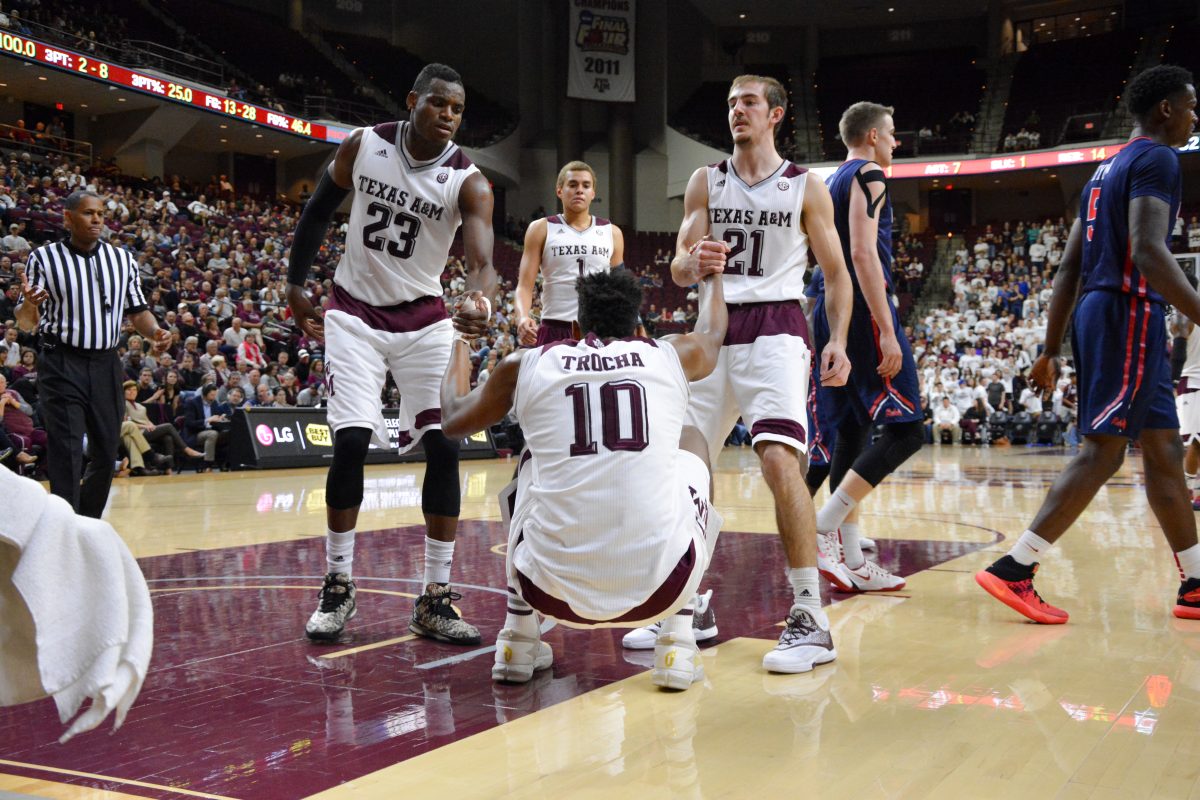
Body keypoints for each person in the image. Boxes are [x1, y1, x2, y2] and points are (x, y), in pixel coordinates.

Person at [623, 74, 853, 674]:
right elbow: (676, 268)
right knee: (689, 467)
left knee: (778, 460)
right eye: (730, 103)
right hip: (712, 329)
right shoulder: (707, 180)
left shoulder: (806, 186)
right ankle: (693, 604)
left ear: (776, 114)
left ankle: (811, 616)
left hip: (776, 327)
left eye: (748, 102)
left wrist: (841, 341)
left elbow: (835, 273)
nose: (736, 112)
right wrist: (689, 262)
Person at [976, 65, 1200, 623]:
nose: (1196, 116)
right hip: (1127, 309)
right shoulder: (1158, 159)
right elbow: (1149, 251)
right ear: (1166, 109)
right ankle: (1016, 567)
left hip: (1110, 311)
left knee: (1166, 452)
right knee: (1104, 448)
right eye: (1191, 106)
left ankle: (1196, 582)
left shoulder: (1104, 172)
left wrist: (1051, 349)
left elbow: (1069, 266)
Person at [286, 63, 497, 645]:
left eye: (457, 109)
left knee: (445, 445)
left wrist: (479, 298)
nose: (449, 116)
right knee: (351, 441)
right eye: (438, 104)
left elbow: (481, 261)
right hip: (352, 312)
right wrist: (296, 282)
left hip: (425, 320)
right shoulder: (365, 144)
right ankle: (337, 584)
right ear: (412, 101)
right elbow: (318, 210)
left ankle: (434, 597)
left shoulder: (469, 180)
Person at [441, 269, 726, 689]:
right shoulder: (670, 355)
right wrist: (712, 276)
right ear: (640, 328)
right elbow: (714, 333)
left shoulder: (526, 364)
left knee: (531, 461)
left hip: (549, 593)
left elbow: (452, 419)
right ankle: (678, 642)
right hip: (664, 587)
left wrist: (461, 339)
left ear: (574, 328)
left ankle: (517, 639)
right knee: (693, 441)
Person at [811, 102, 925, 593]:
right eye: (893, 134)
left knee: (852, 434)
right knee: (908, 431)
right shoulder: (871, 173)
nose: (896, 142)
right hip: (857, 306)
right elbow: (861, 251)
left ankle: (852, 558)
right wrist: (885, 327)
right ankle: (822, 528)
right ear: (875, 136)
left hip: (827, 303)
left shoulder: (833, 178)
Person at [16, 191, 170, 517]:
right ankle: (65, 526)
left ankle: (86, 521)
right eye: (88, 213)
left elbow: (138, 311)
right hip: (61, 361)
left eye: (100, 213)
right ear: (68, 218)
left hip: (105, 363)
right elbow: (26, 323)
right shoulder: (44, 258)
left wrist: (155, 332)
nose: (97, 219)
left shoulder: (122, 260)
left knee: (106, 447)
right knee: (68, 447)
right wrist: (29, 302)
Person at [512, 161, 625, 346]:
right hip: (554, 327)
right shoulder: (541, 228)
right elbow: (524, 286)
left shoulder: (612, 232)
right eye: (572, 185)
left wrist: (633, 324)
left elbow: (621, 288)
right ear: (559, 191)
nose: (579, 190)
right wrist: (522, 318)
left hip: (601, 330)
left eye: (586, 186)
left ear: (593, 194)